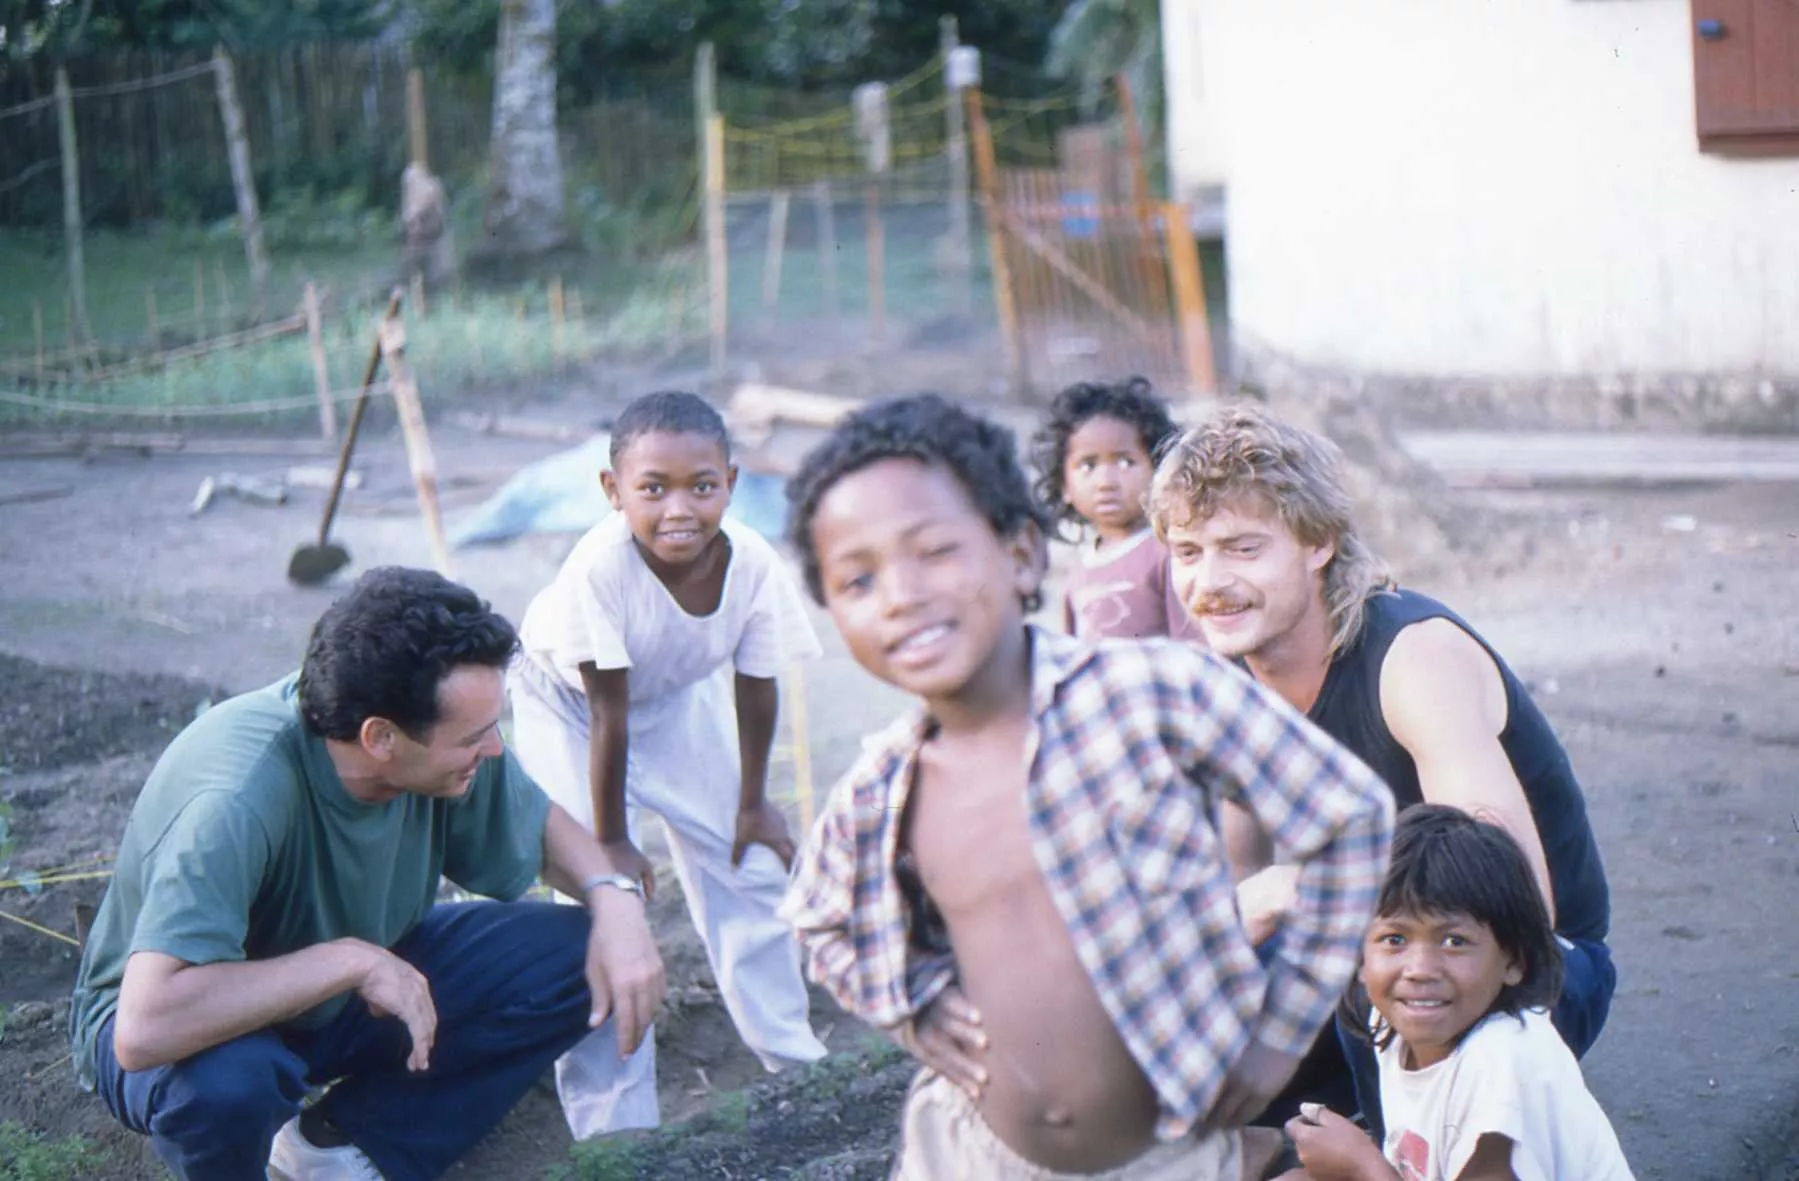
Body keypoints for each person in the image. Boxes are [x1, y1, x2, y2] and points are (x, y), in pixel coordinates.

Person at [778, 394, 1395, 1181]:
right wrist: (916, 1006)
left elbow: (1350, 818)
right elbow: (818, 917)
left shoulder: (1157, 692)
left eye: (933, 551)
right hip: (972, 1155)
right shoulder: (883, 790)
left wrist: (1278, 1030)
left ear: (1023, 555)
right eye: (857, 579)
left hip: (1164, 1153)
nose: (899, 594)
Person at [68, 567, 667, 1181]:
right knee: (227, 1090)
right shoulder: (236, 797)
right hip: (185, 1024)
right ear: (380, 737)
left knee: (575, 954)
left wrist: (614, 900)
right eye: (475, 737)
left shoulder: (432, 744)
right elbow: (145, 1028)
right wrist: (351, 961)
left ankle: (338, 1145)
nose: (493, 750)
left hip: (338, 997)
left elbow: (543, 829)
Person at [1145, 403, 1616, 1133]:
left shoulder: (1410, 659)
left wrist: (1299, 888)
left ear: (1316, 543)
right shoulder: (1233, 683)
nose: (1209, 581)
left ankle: (1406, 1146)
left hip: (1530, 969)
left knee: (1379, 986)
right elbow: (1237, 895)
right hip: (1363, 952)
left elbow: (1514, 904)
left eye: (1242, 548)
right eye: (1187, 551)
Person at [508, 390, 826, 1138]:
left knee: (747, 863)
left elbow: (756, 684)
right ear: (612, 491)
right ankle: (614, 1119)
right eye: (653, 488)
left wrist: (753, 801)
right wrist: (613, 844)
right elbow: (606, 712)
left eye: (701, 485)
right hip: (566, 708)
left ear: (731, 482)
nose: (678, 507)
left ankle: (791, 1051)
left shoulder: (751, 562)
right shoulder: (598, 568)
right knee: (595, 903)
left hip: (676, 698)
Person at [1280, 805, 1636, 1181]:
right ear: (1361, 960)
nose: (1419, 969)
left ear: (1514, 959)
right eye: (1394, 939)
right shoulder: (1392, 1023)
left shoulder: (1504, 1064)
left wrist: (1363, 1166)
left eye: (1454, 941)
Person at [1029, 376, 1198, 642]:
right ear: (1064, 485)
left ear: (1160, 470)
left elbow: (1196, 652)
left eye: (1124, 462)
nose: (1106, 482)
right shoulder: (1079, 572)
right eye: (1087, 465)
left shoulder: (1168, 553)